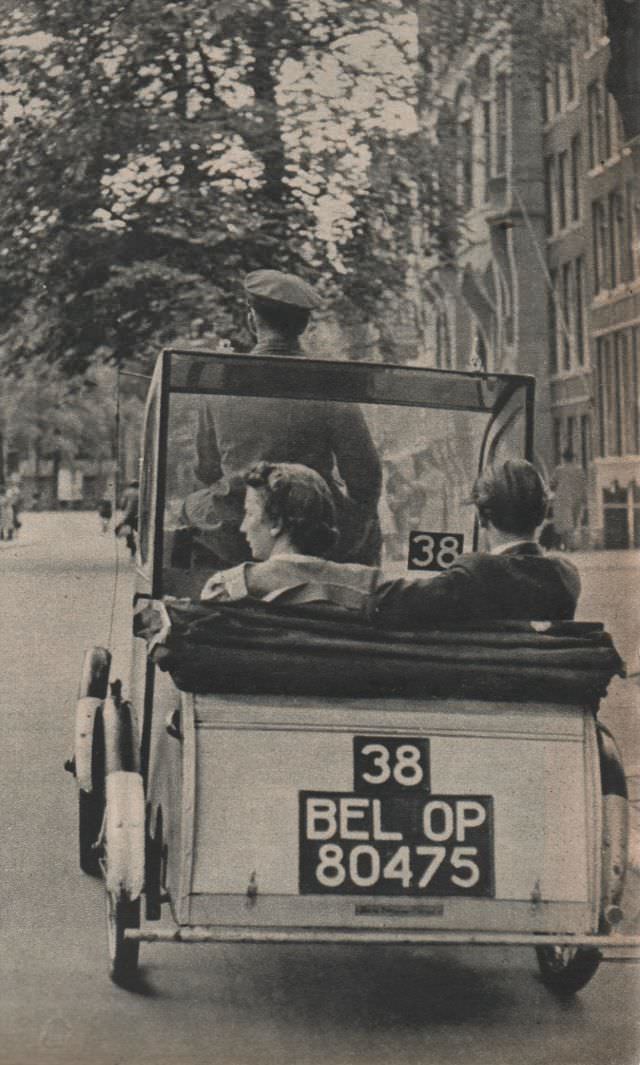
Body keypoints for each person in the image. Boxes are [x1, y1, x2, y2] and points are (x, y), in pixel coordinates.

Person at [210, 459, 581, 626]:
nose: (244, 525)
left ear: (482, 518)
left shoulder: (472, 575)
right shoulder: (566, 578)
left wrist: (272, 576)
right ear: (540, 515)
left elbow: (385, 603)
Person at [183, 268, 382, 568]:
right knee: (367, 525)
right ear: (304, 325)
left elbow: (206, 470)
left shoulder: (220, 384)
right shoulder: (330, 385)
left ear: (252, 320)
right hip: (312, 534)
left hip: (234, 532)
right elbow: (365, 480)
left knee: (190, 511)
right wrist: (351, 530)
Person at [200, 462, 379, 610]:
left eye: (250, 514)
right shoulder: (372, 584)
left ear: (277, 524)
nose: (243, 527)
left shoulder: (228, 588)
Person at [550, 448, 587, 551]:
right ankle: (572, 545)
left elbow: (552, 484)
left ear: (564, 458)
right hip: (576, 498)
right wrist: (584, 498)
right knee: (574, 523)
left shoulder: (559, 470)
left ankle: (566, 545)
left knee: (565, 523)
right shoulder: (579, 470)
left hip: (563, 499)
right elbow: (584, 485)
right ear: (573, 458)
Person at [115, 479, 139, 559]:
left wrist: (123, 509)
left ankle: (132, 550)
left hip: (128, 515)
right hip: (138, 516)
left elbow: (122, 504)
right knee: (141, 531)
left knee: (129, 533)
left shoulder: (127, 492)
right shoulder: (140, 492)